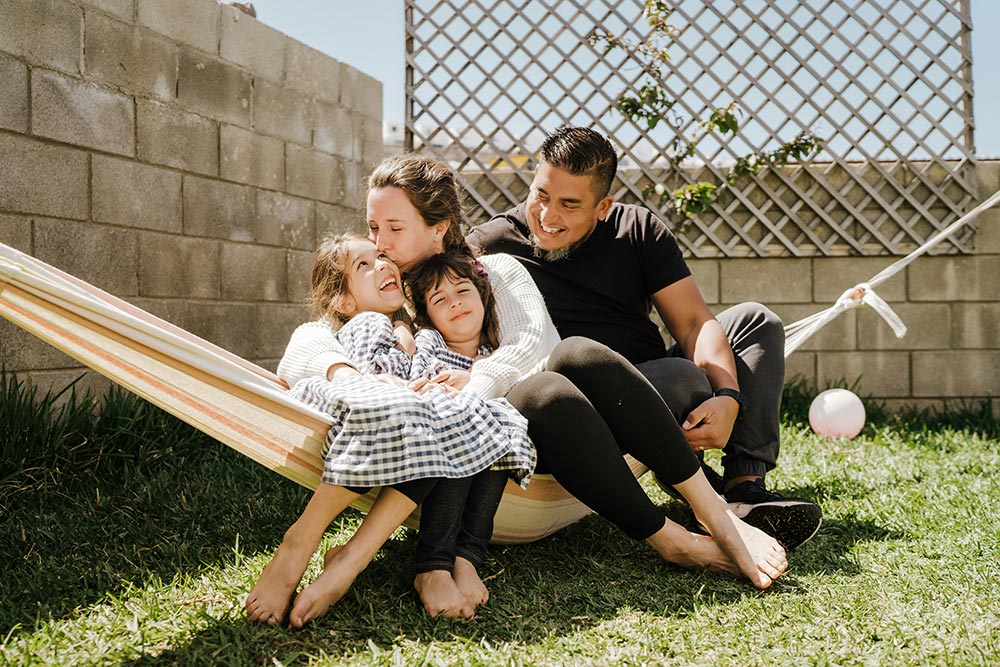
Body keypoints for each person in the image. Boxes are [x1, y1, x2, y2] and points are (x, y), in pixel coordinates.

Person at [356, 154, 788, 592]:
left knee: (582, 357)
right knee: (550, 387)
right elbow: (333, 335)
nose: (380, 243)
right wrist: (329, 373)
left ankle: (726, 500)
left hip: (602, 390)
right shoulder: (393, 286)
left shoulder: (495, 269)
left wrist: (476, 380)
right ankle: (674, 536)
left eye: (394, 228)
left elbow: (535, 345)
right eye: (374, 228)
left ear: (439, 227)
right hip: (534, 424)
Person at [467, 125, 823, 549]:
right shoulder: (491, 246)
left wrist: (729, 397)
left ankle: (745, 487)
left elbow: (693, 322)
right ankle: (702, 487)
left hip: (655, 382)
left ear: (603, 207)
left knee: (755, 321)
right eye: (541, 195)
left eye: (569, 205)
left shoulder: (636, 230)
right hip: (577, 406)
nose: (547, 216)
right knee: (683, 377)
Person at [247, 234, 533, 627]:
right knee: (425, 413)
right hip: (363, 408)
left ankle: (354, 556)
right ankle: (300, 542)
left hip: (404, 420)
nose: (382, 264)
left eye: (382, 256)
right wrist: (375, 378)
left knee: (453, 415)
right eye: (364, 265)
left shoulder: (410, 325)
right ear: (345, 302)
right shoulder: (365, 322)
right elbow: (347, 362)